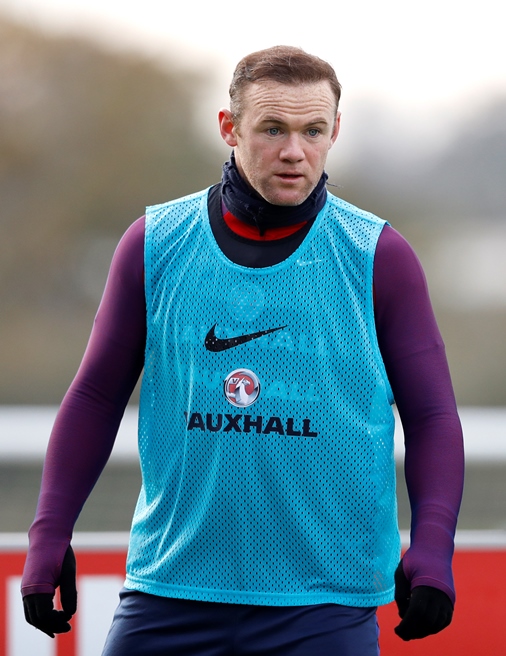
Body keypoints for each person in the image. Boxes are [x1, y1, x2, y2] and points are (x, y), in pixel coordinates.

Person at [22, 46, 464, 655]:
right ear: (229, 128)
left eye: (313, 131)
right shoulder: (154, 244)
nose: (294, 151)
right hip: (169, 592)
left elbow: (433, 417)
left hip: (324, 604)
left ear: (335, 131)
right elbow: (96, 396)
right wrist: (49, 533)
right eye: (272, 129)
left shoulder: (378, 257)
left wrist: (434, 549)